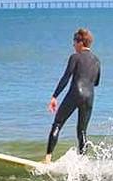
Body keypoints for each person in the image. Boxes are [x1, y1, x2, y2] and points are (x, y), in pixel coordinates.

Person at [43, 28, 100, 164]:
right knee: (82, 131)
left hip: (76, 93)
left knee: (57, 124)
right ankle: (83, 162)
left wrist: (54, 96)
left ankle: (47, 159)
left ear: (80, 42)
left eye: (74, 42)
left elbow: (66, 77)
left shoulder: (75, 57)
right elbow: (96, 82)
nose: (73, 45)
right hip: (90, 96)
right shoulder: (97, 60)